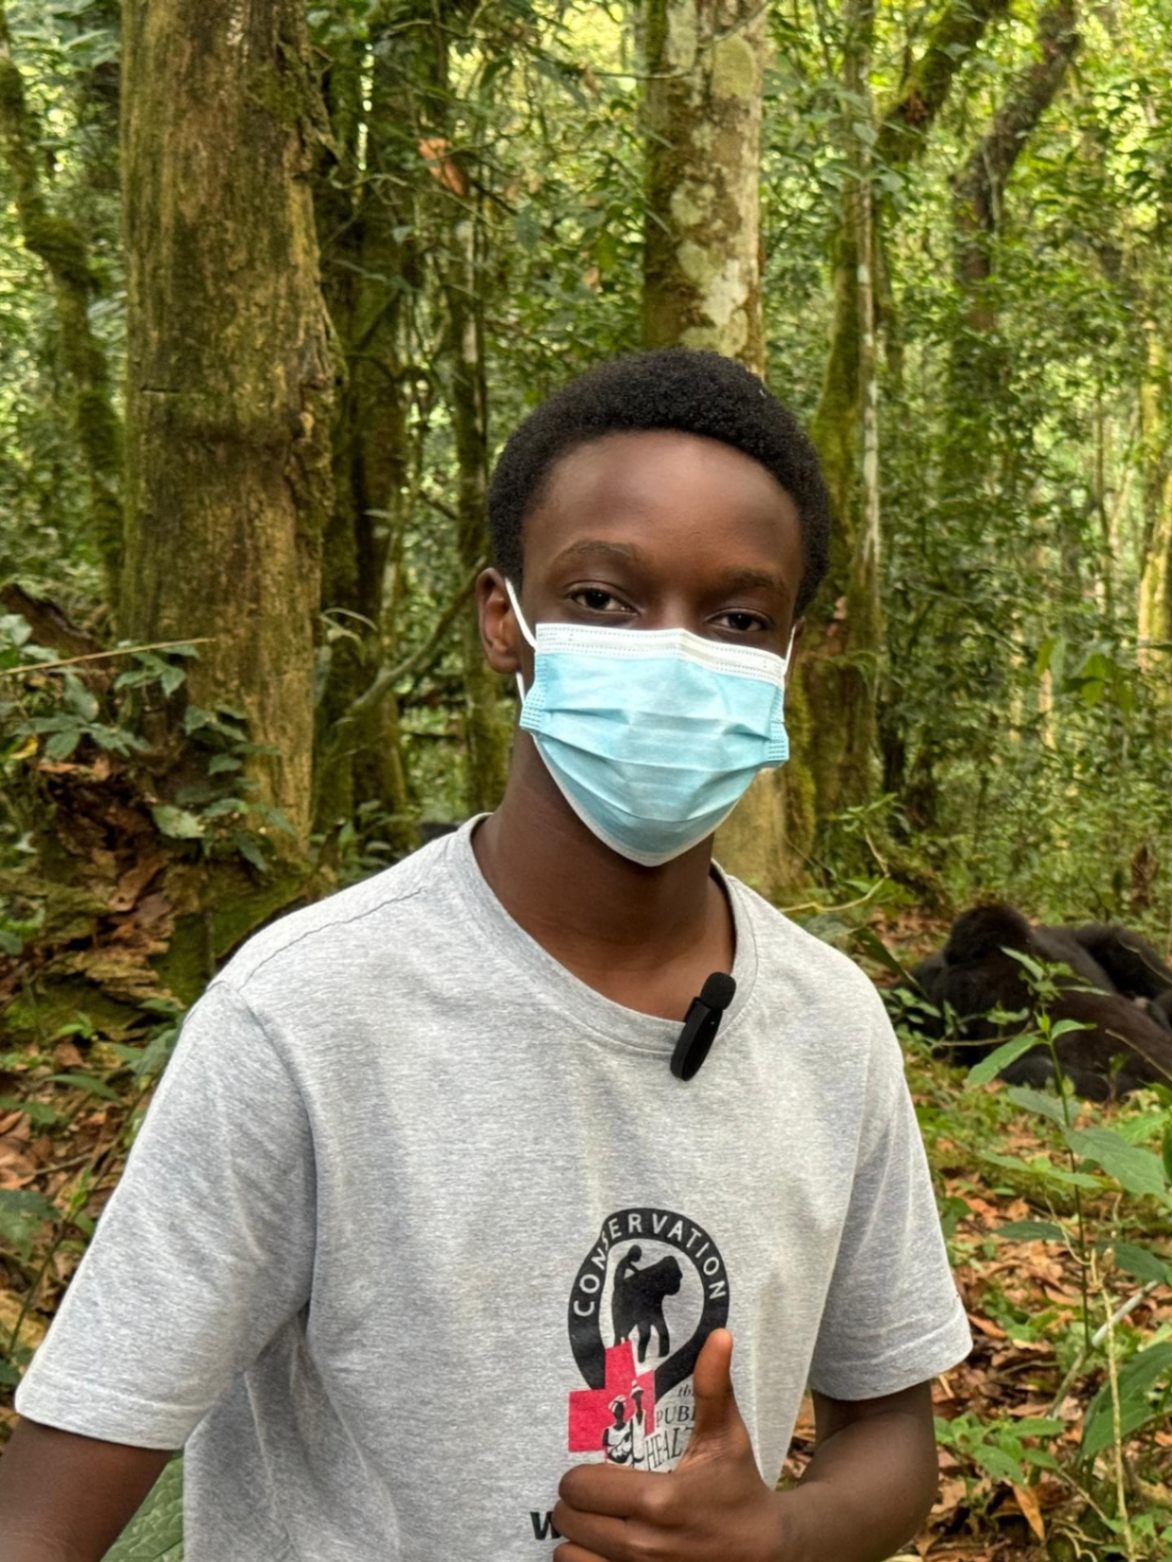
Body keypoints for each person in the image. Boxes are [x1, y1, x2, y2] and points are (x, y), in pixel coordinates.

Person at [0, 349, 972, 1561]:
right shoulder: (304, 1014)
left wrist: (767, 1534)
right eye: (605, 599)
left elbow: (889, 1433)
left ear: (789, 656)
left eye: (735, 616)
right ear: (501, 619)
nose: (671, 653)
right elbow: (47, 1507)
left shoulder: (830, 1025)